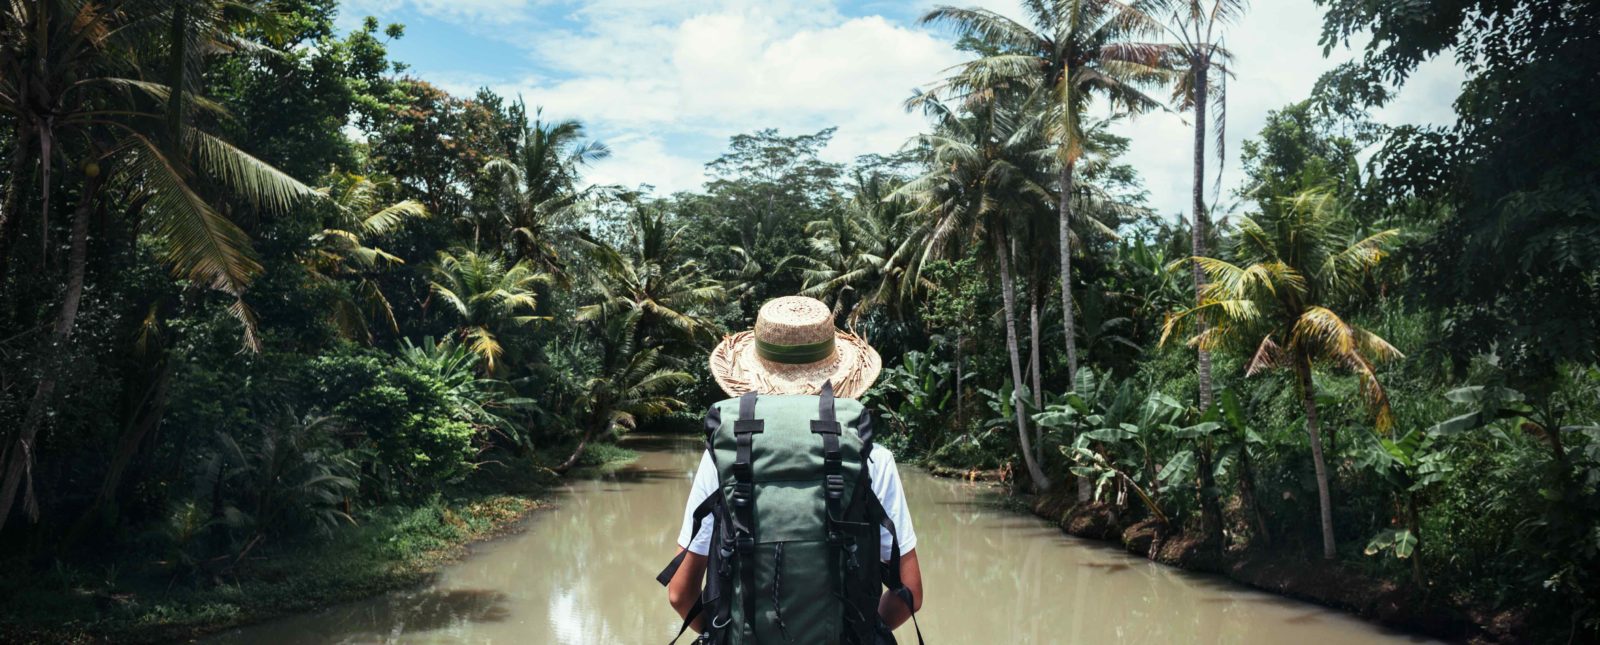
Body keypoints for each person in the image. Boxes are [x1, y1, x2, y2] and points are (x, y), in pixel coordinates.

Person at [662, 296, 924, 644]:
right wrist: (861, 633)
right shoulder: (871, 457)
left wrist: (722, 631)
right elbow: (910, 593)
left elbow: (680, 593)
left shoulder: (726, 454)